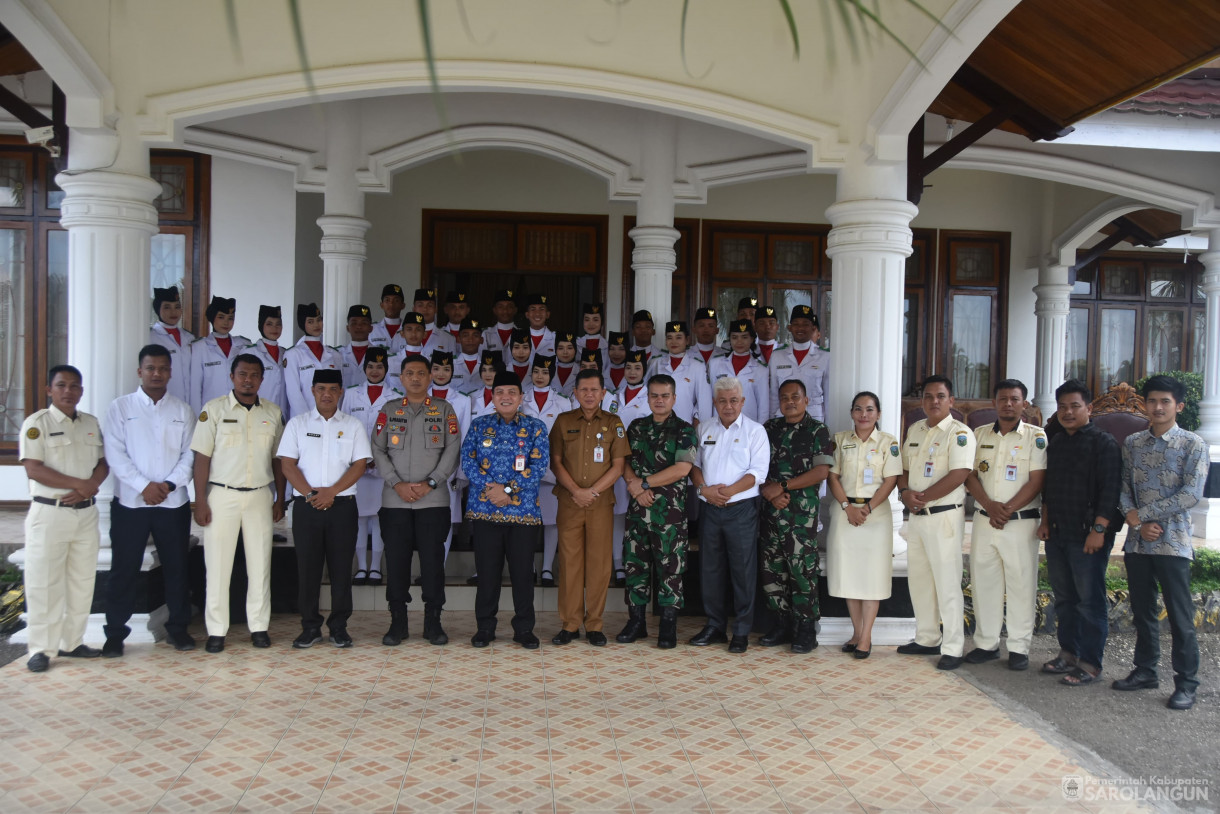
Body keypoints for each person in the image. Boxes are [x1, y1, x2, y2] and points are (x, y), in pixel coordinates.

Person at [1114, 375, 1208, 710]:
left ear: (1178, 406)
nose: (1157, 407)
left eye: (1165, 401)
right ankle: (1145, 671)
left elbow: (1190, 494)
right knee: (1143, 612)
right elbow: (1123, 486)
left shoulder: (1193, 445)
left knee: (1181, 617)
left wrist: (1146, 516)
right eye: (1152, 401)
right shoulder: (1134, 442)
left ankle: (1187, 683)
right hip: (1138, 543)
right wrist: (1133, 517)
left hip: (1173, 543)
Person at [102, 345, 196, 657]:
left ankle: (178, 629)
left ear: (170, 372)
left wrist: (167, 484)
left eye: (163, 368)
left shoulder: (182, 410)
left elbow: (190, 455)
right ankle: (115, 633)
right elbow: (115, 454)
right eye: (150, 368)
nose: (157, 374)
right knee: (124, 569)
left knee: (177, 568)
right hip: (131, 503)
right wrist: (144, 486)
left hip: (173, 502)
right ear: (140, 371)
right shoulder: (120, 407)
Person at [190, 354, 286, 653]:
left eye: (254, 375)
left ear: (262, 379)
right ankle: (217, 630)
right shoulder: (213, 410)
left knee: (260, 565)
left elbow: (278, 461)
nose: (248, 380)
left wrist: (280, 498)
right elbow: (201, 458)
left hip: (259, 494)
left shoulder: (272, 412)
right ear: (232, 377)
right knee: (217, 565)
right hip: (222, 495)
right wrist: (200, 501)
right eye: (243, 374)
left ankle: (259, 627)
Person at [19, 365, 109, 672]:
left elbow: (101, 464)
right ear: (49, 390)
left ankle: (72, 642)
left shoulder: (90, 423)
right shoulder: (37, 424)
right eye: (61, 386)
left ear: (81, 391)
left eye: (74, 386)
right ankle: (40, 648)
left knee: (82, 581)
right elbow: (34, 468)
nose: (68, 391)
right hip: (50, 513)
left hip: (85, 514)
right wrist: (78, 485)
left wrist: (89, 488)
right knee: (44, 583)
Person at [372, 353, 462, 646]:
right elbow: (377, 449)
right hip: (395, 501)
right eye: (409, 373)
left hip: (432, 502)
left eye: (421, 373)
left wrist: (431, 483)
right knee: (396, 562)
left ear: (430, 377)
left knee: (433, 563)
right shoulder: (389, 409)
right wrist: (396, 483)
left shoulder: (443, 409)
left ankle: (433, 622)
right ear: (401, 378)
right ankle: (397, 622)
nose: (415, 378)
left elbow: (452, 449)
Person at [278, 369, 372, 648]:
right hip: (307, 506)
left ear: (341, 391)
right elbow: (287, 464)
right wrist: (311, 494)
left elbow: (360, 464)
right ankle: (310, 627)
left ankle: (339, 626)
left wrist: (332, 492)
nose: (327, 394)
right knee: (308, 569)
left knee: (341, 568)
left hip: (342, 506)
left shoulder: (353, 425)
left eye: (333, 389)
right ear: (313, 390)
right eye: (321, 388)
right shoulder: (297, 424)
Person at [1037, 379, 1121, 687]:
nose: (1068, 412)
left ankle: (1090, 663)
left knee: (1089, 601)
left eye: (1075, 406)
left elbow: (1110, 491)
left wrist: (1099, 530)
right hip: (1058, 532)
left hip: (1088, 535)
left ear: (1089, 408)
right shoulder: (1056, 442)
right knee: (1065, 598)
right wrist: (1045, 522)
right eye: (1062, 407)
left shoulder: (1104, 443)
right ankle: (1068, 653)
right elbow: (1049, 489)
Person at [963, 379, 1047, 672]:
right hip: (986, 521)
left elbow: (1037, 480)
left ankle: (1018, 647)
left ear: (1025, 404)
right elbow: (970, 474)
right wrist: (988, 505)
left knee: (1021, 584)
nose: (1008, 404)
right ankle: (986, 644)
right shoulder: (979, 434)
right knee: (985, 582)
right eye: (1003, 399)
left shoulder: (1036, 437)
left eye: (1014, 399)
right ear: (994, 403)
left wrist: (1007, 509)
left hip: (1019, 523)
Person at [462, 370, 549, 649]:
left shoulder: (536, 427)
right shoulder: (479, 426)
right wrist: (492, 490)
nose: (506, 397)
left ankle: (524, 629)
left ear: (521, 397)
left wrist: (508, 491)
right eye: (500, 392)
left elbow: (538, 467)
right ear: (492, 396)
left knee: (523, 574)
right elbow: (467, 460)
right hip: (485, 511)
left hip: (522, 513)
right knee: (487, 573)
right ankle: (485, 627)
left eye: (512, 392)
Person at [897, 375, 975, 670]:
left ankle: (953, 647)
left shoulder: (960, 433)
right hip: (917, 517)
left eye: (940, 396)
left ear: (951, 401)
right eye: (928, 396)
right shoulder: (915, 429)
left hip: (944, 516)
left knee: (947, 582)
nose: (934, 401)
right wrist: (905, 493)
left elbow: (960, 473)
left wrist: (923, 497)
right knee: (920, 579)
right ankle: (927, 637)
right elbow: (902, 468)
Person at [689, 376, 770, 653]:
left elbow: (757, 473)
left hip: (741, 510)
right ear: (714, 402)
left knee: (743, 570)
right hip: (710, 509)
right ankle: (714, 626)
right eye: (722, 401)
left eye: (733, 400)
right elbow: (694, 465)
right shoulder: (705, 430)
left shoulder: (755, 431)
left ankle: (742, 630)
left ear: (742, 401)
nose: (728, 406)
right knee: (710, 569)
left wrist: (727, 492)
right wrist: (704, 490)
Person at [549, 369, 629, 646]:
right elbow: (555, 462)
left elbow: (618, 466)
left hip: (600, 503)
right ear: (575, 392)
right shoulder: (562, 421)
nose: (589, 394)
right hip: (569, 502)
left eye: (595, 390)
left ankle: (594, 624)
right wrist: (576, 491)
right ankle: (570, 624)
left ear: (604, 393)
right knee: (569, 563)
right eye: (583, 389)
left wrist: (591, 492)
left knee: (599, 563)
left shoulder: (614, 422)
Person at [617, 373, 697, 648]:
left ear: (674, 398)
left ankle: (667, 625)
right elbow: (624, 461)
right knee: (635, 566)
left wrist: (645, 483)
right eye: (654, 395)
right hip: (638, 510)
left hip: (669, 515)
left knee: (670, 569)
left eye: (665, 395)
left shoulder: (684, 430)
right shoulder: (636, 427)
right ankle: (636, 622)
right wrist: (636, 488)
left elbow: (683, 468)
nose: (659, 400)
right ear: (647, 397)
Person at [758, 379, 834, 653]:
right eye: (784, 397)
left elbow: (821, 472)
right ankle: (781, 624)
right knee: (772, 570)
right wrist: (770, 490)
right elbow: (755, 464)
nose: (790, 401)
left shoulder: (817, 431)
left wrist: (784, 486)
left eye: (795, 397)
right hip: (771, 510)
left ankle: (805, 629)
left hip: (801, 515)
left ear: (806, 400)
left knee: (802, 571)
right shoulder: (769, 429)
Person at [826, 391, 901, 659]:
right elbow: (832, 476)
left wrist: (867, 509)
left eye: (870, 409)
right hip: (845, 513)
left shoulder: (888, 442)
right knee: (850, 575)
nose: (864, 414)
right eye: (858, 409)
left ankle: (866, 637)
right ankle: (856, 633)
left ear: (878, 414)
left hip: (875, 516)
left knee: (872, 576)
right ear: (852, 413)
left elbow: (890, 480)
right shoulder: (840, 440)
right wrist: (848, 508)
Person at [341, 347, 402, 587]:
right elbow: (343, 429)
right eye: (370, 366)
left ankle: (375, 566)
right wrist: (356, 457)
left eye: (379, 366)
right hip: (356, 466)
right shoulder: (350, 395)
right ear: (364, 368)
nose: (374, 371)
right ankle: (361, 567)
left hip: (382, 467)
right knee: (358, 518)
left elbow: (397, 433)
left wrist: (381, 457)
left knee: (378, 518)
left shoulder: (395, 396)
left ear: (386, 369)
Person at [520, 355, 573, 588]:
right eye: (537, 371)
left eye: (545, 372)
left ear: (551, 375)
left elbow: (567, 439)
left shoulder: (563, 401)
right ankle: (529, 566)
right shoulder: (521, 399)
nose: (540, 376)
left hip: (552, 470)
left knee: (551, 522)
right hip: (525, 471)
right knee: (527, 522)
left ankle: (547, 568)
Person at [609, 350, 651, 586]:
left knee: (635, 518)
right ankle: (617, 563)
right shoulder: (612, 397)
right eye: (628, 368)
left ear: (644, 370)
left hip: (639, 467)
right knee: (617, 516)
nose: (632, 372)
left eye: (637, 368)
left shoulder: (649, 398)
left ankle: (636, 564)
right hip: (614, 465)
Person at [428, 350, 471, 564]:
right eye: (436, 368)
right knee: (424, 521)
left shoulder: (462, 401)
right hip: (420, 468)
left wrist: (461, 472)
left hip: (449, 470)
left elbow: (464, 438)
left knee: (444, 520)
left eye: (446, 369)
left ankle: (439, 567)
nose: (441, 373)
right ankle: (428, 566)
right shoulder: (420, 396)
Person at [189, 295, 250, 415]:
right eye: (221, 317)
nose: (226, 322)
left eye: (230, 318)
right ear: (212, 318)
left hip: (239, 410)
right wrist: (198, 418)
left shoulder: (243, 345)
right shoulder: (200, 347)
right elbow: (195, 388)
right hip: (211, 412)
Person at [646, 321, 713, 429]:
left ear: (687, 340)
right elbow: (646, 394)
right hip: (657, 427)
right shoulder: (656, 364)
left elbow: (704, 402)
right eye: (669, 337)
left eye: (678, 337)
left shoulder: (697, 366)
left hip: (685, 427)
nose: (674, 342)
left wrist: (700, 428)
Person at [768, 305, 829, 420]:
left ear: (813, 328)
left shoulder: (825, 357)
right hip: (784, 417)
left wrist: (828, 425)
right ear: (789, 328)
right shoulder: (777, 356)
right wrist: (772, 422)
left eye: (805, 324)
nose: (800, 328)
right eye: (796, 324)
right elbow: (773, 395)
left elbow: (829, 396)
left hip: (814, 418)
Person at [284, 303, 341, 419]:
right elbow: (293, 393)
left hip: (331, 418)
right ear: (302, 324)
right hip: (303, 419)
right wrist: (308, 419)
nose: (316, 325)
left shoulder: (335, 355)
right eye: (310, 321)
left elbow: (339, 390)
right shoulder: (292, 354)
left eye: (319, 320)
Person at [709, 320, 768, 424]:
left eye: (744, 337)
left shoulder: (761, 369)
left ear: (752, 339)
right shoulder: (715, 364)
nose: (739, 342)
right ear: (730, 339)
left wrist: (761, 431)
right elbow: (710, 398)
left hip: (748, 428)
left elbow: (763, 407)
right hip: (720, 425)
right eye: (735, 337)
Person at [149, 286, 194, 406]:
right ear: (158, 309)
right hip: (164, 402)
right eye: (167, 307)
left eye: (177, 307)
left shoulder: (189, 338)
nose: (173, 312)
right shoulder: (151, 338)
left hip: (189, 404)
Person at [244, 305, 288, 416]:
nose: (275, 328)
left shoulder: (286, 353)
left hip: (282, 415)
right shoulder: (250, 353)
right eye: (269, 324)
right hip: (258, 413)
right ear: (261, 325)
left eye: (278, 324)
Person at [338, 304, 375, 388]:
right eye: (354, 323)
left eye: (364, 323)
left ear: (371, 328)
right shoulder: (337, 354)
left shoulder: (382, 355)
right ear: (347, 328)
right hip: (345, 400)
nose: (359, 326)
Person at [413, 288, 457, 356]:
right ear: (414, 309)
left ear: (435, 309)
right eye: (420, 305)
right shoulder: (401, 336)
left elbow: (452, 365)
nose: (425, 309)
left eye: (430, 305)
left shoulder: (448, 339)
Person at [369, 283, 408, 353]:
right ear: (381, 305)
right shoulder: (371, 330)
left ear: (403, 305)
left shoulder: (410, 330)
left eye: (396, 300)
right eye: (387, 300)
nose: (391, 304)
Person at [452, 317, 486, 394]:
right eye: (465, 335)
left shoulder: (489, 366)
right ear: (458, 339)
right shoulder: (450, 365)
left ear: (481, 340)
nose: (470, 339)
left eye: (475, 335)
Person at [482, 289, 519, 356]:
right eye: (500, 307)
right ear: (494, 310)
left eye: (509, 306)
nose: (505, 311)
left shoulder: (524, 334)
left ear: (515, 310)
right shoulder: (485, 334)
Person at [576, 302, 609, 371]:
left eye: (595, 320)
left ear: (602, 322)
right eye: (587, 320)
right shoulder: (575, 344)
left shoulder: (608, 347)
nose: (591, 324)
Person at [553, 331, 580, 397]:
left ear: (575, 350)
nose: (565, 352)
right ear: (555, 350)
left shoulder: (581, 371)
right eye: (560, 348)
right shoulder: (548, 369)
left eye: (570, 348)